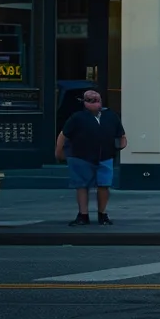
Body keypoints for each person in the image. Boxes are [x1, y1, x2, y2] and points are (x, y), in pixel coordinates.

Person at [55, 90, 126, 226]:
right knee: (82, 186)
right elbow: (64, 135)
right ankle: (83, 215)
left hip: (105, 156)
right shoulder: (77, 117)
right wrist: (59, 151)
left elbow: (121, 134)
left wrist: (121, 145)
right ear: (84, 102)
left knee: (104, 185)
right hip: (81, 156)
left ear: (101, 100)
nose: (93, 100)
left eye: (96, 98)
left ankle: (102, 214)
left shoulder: (111, 116)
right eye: (89, 99)